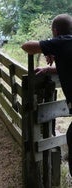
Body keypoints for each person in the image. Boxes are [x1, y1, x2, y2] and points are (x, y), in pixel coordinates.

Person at [21, 13, 72, 176]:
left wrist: (48, 48)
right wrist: (51, 68)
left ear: (55, 32)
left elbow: (27, 46)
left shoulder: (62, 42)